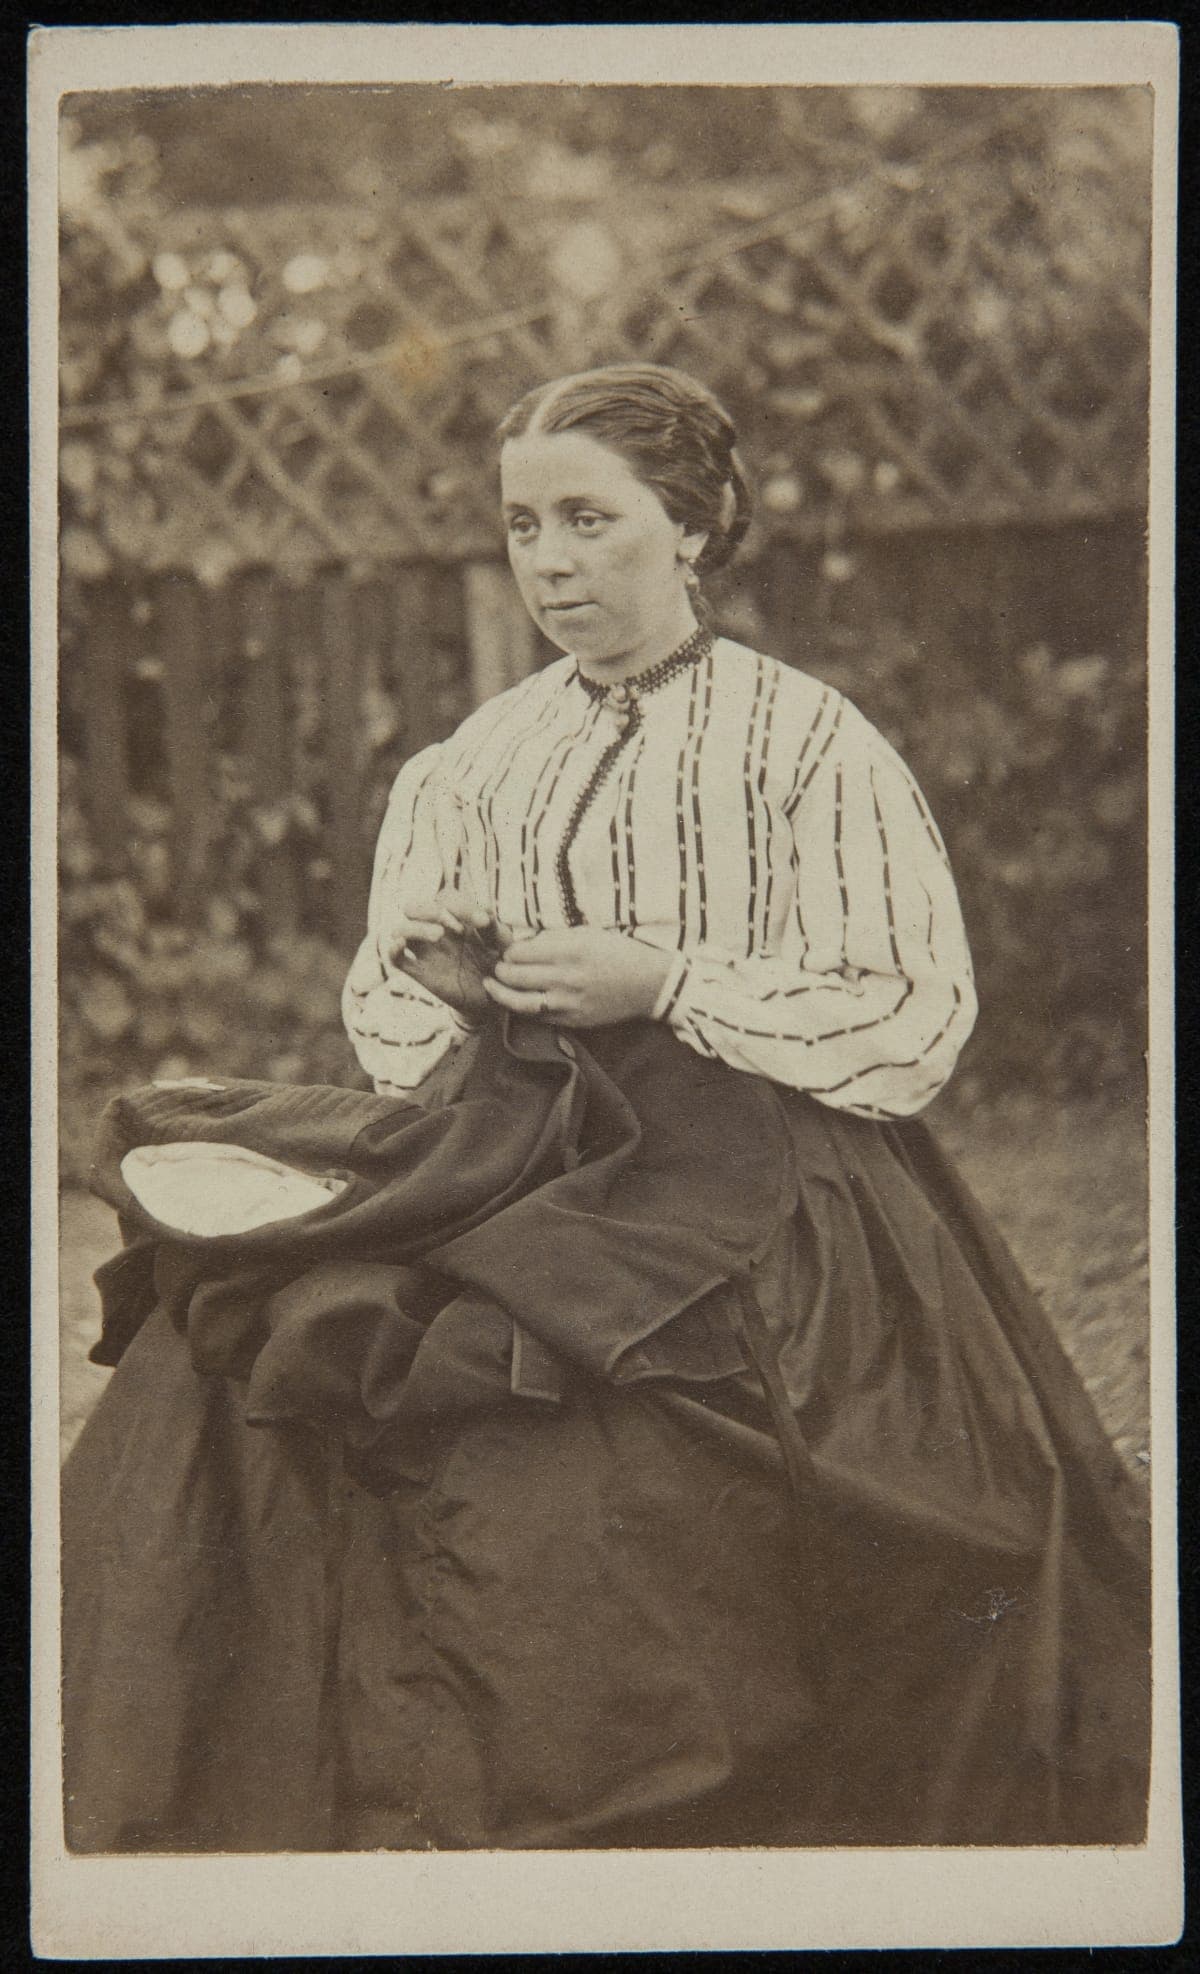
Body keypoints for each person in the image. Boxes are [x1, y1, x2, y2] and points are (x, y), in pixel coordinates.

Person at [62, 363, 1149, 1854]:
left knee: (582, 1462)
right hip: (518, 1150)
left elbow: (915, 1013)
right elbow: (387, 1033)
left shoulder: (808, 744)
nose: (553, 562)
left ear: (692, 529)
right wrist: (451, 986)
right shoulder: (481, 757)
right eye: (524, 527)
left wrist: (668, 981)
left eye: (593, 520)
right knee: (239, 1334)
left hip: (763, 1173)